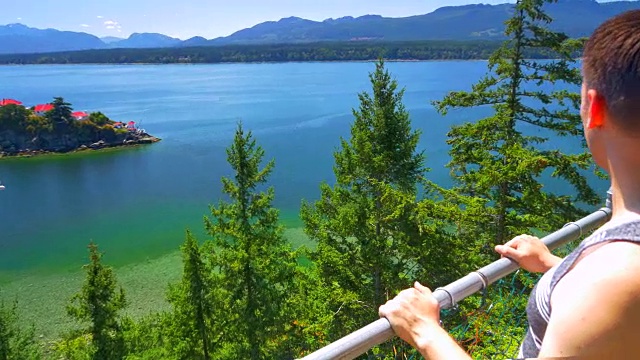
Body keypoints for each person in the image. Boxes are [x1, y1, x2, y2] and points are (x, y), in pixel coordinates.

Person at [379, 9, 640, 360]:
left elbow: (614, 291)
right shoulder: (610, 276)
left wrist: (424, 331)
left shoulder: (614, 278)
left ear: (593, 108)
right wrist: (556, 265)